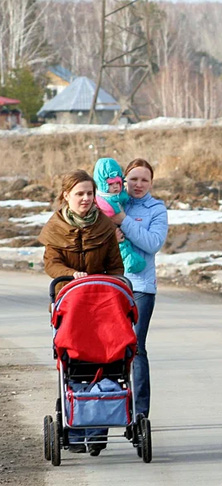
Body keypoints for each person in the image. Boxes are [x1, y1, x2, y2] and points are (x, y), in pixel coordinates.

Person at [38, 169, 124, 456]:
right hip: (70, 303)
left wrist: (107, 284)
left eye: (90, 193)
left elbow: (115, 266)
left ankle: (98, 430)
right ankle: (75, 431)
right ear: (66, 196)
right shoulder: (55, 227)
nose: (86, 199)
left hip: (101, 306)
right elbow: (51, 263)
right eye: (80, 194)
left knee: (106, 366)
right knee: (73, 366)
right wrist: (71, 275)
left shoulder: (104, 226)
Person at [110, 158, 168, 420]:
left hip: (142, 288)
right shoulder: (111, 203)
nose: (139, 184)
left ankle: (140, 413)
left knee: (136, 347)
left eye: (145, 179)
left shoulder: (157, 209)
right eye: (133, 179)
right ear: (124, 180)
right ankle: (107, 408)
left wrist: (123, 221)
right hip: (111, 285)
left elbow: (152, 243)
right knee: (107, 348)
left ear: (151, 183)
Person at [93, 157, 146, 274]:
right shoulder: (103, 202)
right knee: (121, 246)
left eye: (118, 183)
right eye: (112, 184)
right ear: (103, 184)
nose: (116, 186)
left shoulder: (120, 197)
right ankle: (130, 262)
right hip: (112, 234)